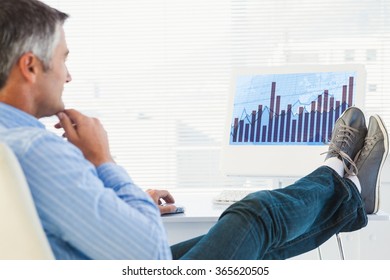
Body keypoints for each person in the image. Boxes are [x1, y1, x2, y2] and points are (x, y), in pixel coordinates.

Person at [0, 0, 388, 260]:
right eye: (63, 59)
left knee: (243, 250)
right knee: (253, 215)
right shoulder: (35, 149)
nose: (69, 75)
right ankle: (339, 174)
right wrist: (103, 159)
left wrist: (125, 199)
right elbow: (150, 253)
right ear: (31, 67)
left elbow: (58, 215)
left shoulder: (11, 141)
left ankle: (351, 191)